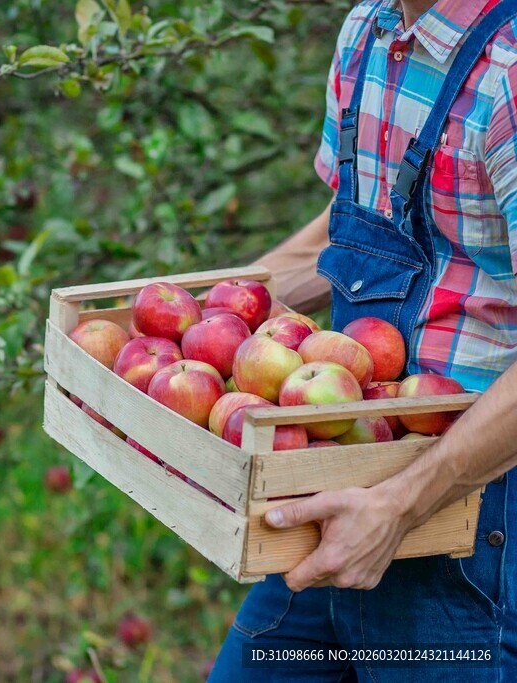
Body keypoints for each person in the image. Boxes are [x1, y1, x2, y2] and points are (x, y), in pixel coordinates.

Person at [209, 1, 517, 680]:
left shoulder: (509, 76)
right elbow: (354, 223)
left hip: (471, 515)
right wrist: (213, 318)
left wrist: (400, 505)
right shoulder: (368, 32)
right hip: (348, 472)